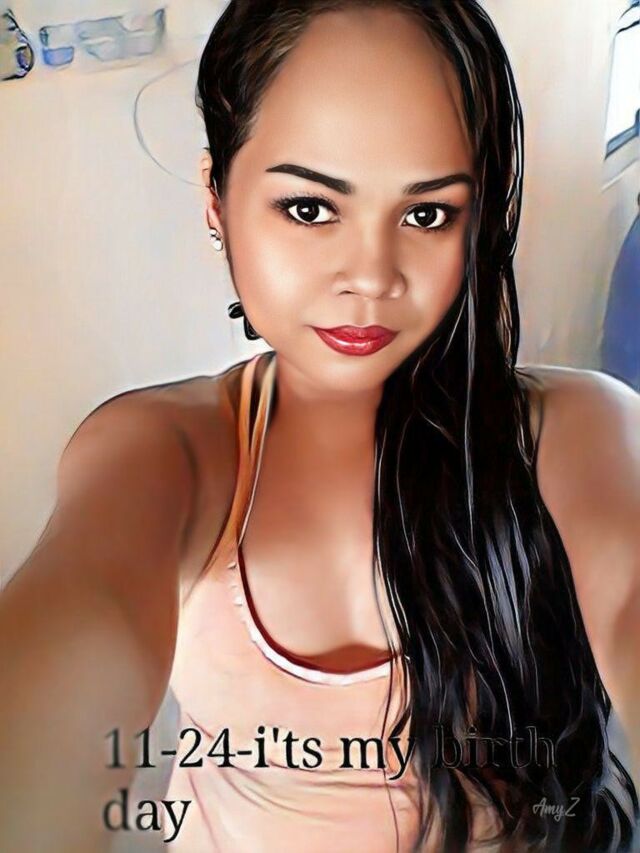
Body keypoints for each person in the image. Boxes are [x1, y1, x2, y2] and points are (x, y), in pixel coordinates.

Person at [1, 1, 639, 851]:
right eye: (309, 208)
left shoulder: (577, 432)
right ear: (217, 200)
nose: (371, 276)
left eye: (427, 213)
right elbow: (73, 643)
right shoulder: (165, 451)